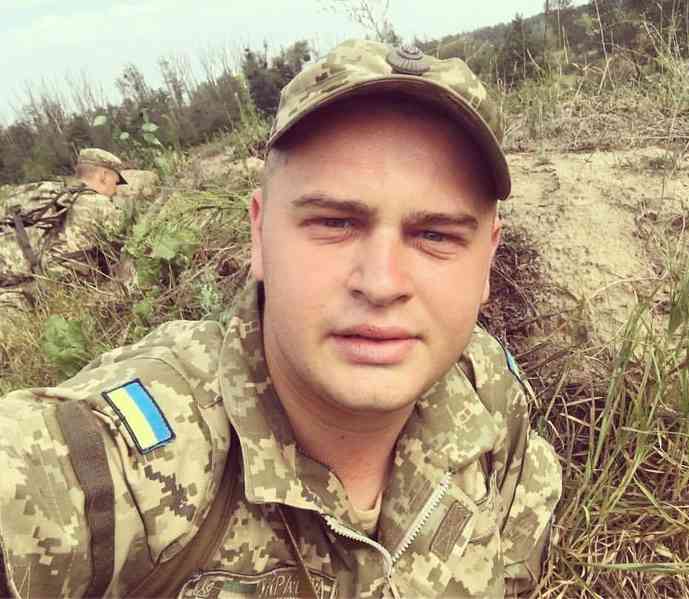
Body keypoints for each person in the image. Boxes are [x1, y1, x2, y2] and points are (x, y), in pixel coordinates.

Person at [0, 40, 561, 598]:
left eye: (435, 235)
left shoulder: (490, 397)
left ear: (487, 259)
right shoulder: (111, 466)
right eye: (335, 223)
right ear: (260, 235)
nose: (382, 283)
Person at [0, 148, 129, 340]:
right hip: (52, 294)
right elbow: (129, 247)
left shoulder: (53, 197)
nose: (116, 190)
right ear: (103, 176)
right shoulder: (99, 205)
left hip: (14, 284)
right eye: (116, 181)